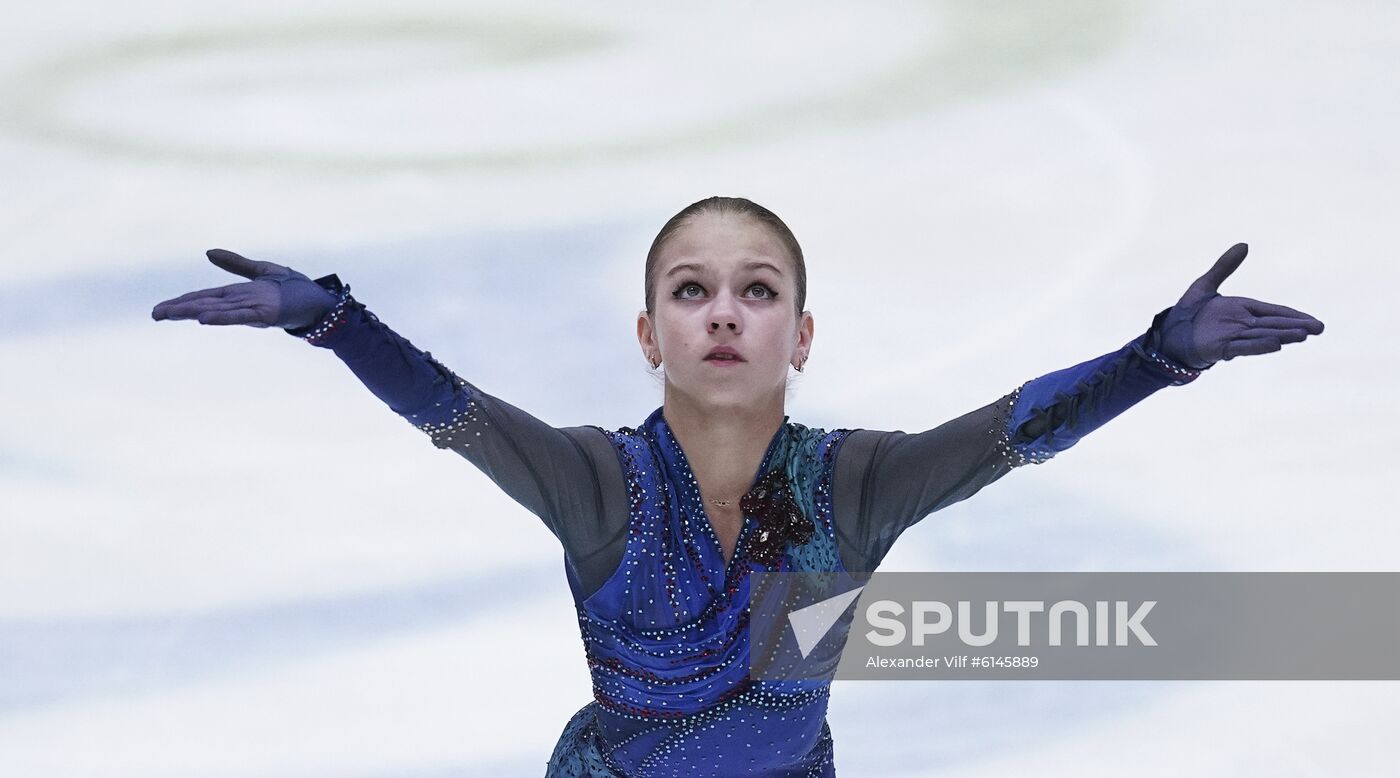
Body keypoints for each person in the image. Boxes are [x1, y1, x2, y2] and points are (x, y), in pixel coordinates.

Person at [151, 196, 1323, 777]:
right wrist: (335, 323)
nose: (722, 312)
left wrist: (1155, 358)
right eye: (691, 289)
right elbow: (453, 412)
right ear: (647, 331)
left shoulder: (855, 483)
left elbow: (1011, 432)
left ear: (799, 334)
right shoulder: (598, 481)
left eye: (756, 290)